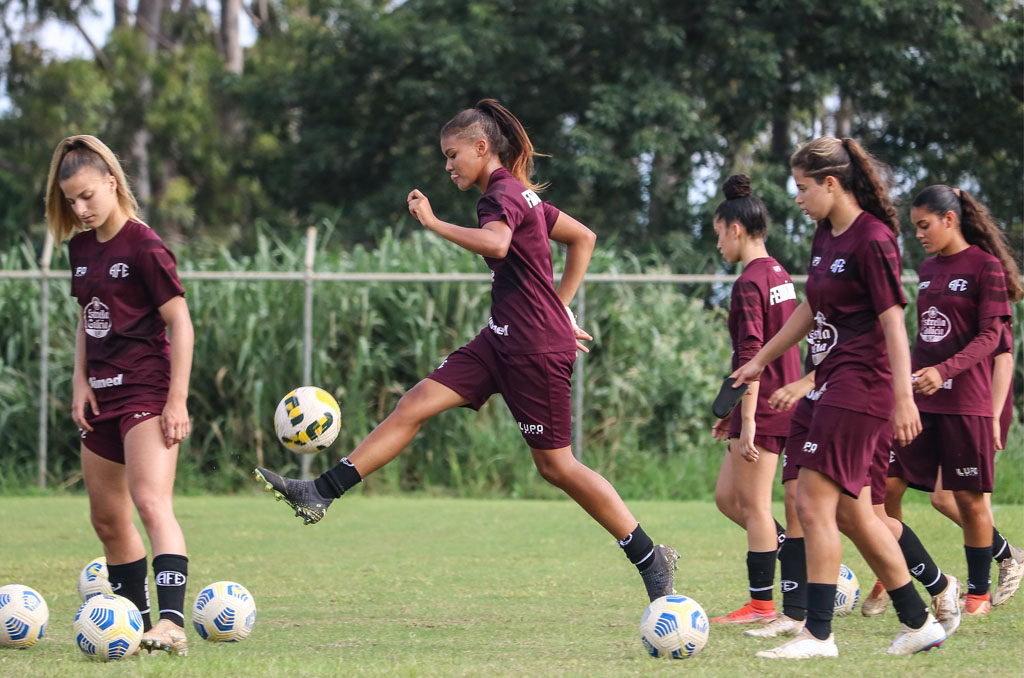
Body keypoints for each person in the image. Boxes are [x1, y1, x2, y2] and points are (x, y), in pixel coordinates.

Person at [253, 99, 678, 602]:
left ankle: (650, 556)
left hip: (533, 353)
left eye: (453, 154)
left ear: (481, 148)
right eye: (444, 157)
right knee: (413, 404)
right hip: (499, 340)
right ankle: (318, 493)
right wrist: (558, 306)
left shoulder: (501, 195)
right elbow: (581, 238)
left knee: (557, 467)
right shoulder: (521, 194)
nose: (448, 165)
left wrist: (434, 224)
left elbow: (498, 244)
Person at [731, 137, 945, 658]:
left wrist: (903, 398)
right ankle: (919, 621)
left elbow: (896, 322)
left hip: (863, 382)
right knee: (851, 512)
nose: (798, 199)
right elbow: (811, 306)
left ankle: (818, 634)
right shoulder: (825, 234)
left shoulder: (873, 239)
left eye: (803, 188)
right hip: (827, 381)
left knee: (812, 500)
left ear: (832, 183)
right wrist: (761, 359)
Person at [44, 135, 194, 656]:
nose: (80, 209)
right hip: (101, 396)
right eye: (71, 201)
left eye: (88, 196)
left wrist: (177, 401)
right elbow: (88, 318)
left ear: (112, 181)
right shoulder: (80, 249)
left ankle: (172, 624)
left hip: (146, 392)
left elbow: (181, 323)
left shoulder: (145, 245)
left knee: (151, 501)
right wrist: (78, 381)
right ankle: (136, 622)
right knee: (106, 519)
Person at [883, 185, 1021, 616]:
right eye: (915, 228)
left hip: (967, 402)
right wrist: (906, 383)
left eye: (925, 225)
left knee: (966, 498)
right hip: (924, 402)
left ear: (950, 219)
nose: (919, 234)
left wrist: (944, 372)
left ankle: (978, 593)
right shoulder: (927, 269)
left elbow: (993, 339)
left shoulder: (986, 267)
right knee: (885, 485)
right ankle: (904, 575)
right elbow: (928, 335)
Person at [709, 174, 800, 624]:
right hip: (780, 403)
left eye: (718, 235)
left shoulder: (748, 283)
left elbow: (751, 356)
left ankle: (762, 605)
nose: (719, 245)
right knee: (728, 498)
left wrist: (747, 422)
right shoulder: (779, 273)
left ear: (736, 229)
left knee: (757, 508)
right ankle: (797, 562)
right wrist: (729, 412)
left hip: (764, 408)